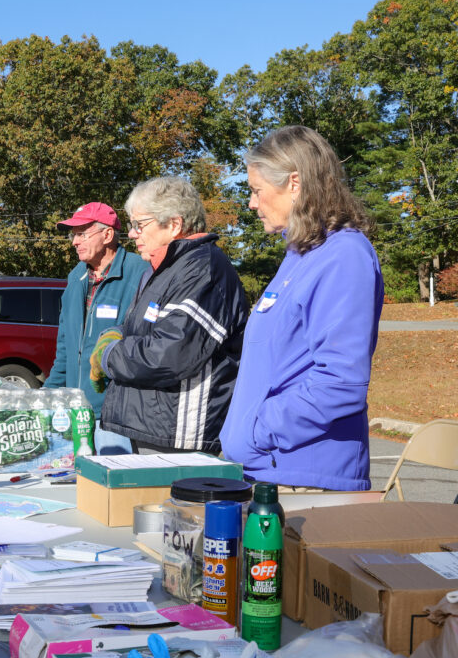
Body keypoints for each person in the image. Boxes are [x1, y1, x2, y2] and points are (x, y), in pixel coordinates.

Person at [220, 125, 383, 490]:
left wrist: (258, 430)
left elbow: (340, 383)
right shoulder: (302, 253)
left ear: (294, 183)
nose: (251, 203)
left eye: (257, 190)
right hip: (269, 471)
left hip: (305, 479)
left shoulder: (344, 256)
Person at [90, 176, 249, 454]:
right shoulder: (164, 269)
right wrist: (116, 334)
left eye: (140, 225)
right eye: (131, 225)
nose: (132, 234)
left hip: (180, 437)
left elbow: (170, 354)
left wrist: (109, 355)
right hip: (155, 429)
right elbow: (144, 334)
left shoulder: (203, 269)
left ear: (174, 224)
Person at [43, 201, 148, 453]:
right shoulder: (75, 277)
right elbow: (65, 347)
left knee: (112, 487)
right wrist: (47, 395)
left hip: (116, 418)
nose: (74, 242)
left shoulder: (140, 272)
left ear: (108, 234)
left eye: (82, 234)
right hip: (73, 414)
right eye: (73, 234)